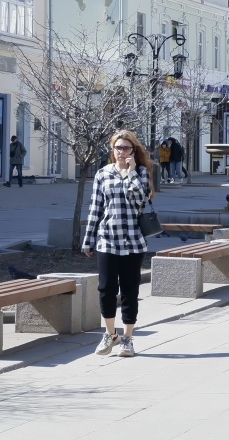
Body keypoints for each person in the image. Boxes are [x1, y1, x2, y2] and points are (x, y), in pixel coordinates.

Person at [82, 129, 156, 358]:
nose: (121, 152)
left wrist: (131, 173)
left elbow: (140, 200)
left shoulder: (141, 173)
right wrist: (88, 239)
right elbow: (96, 208)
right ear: (112, 150)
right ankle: (109, 333)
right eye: (117, 148)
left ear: (133, 151)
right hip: (107, 239)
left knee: (130, 290)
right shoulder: (103, 174)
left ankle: (128, 338)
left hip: (133, 241)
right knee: (106, 289)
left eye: (125, 148)